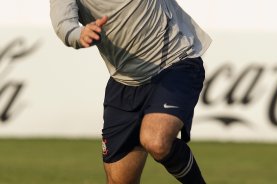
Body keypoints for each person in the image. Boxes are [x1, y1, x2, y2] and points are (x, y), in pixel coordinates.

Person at [50, 0, 212, 183]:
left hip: (174, 62)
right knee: (119, 181)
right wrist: (80, 34)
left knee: (156, 141)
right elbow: (64, 23)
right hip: (124, 81)